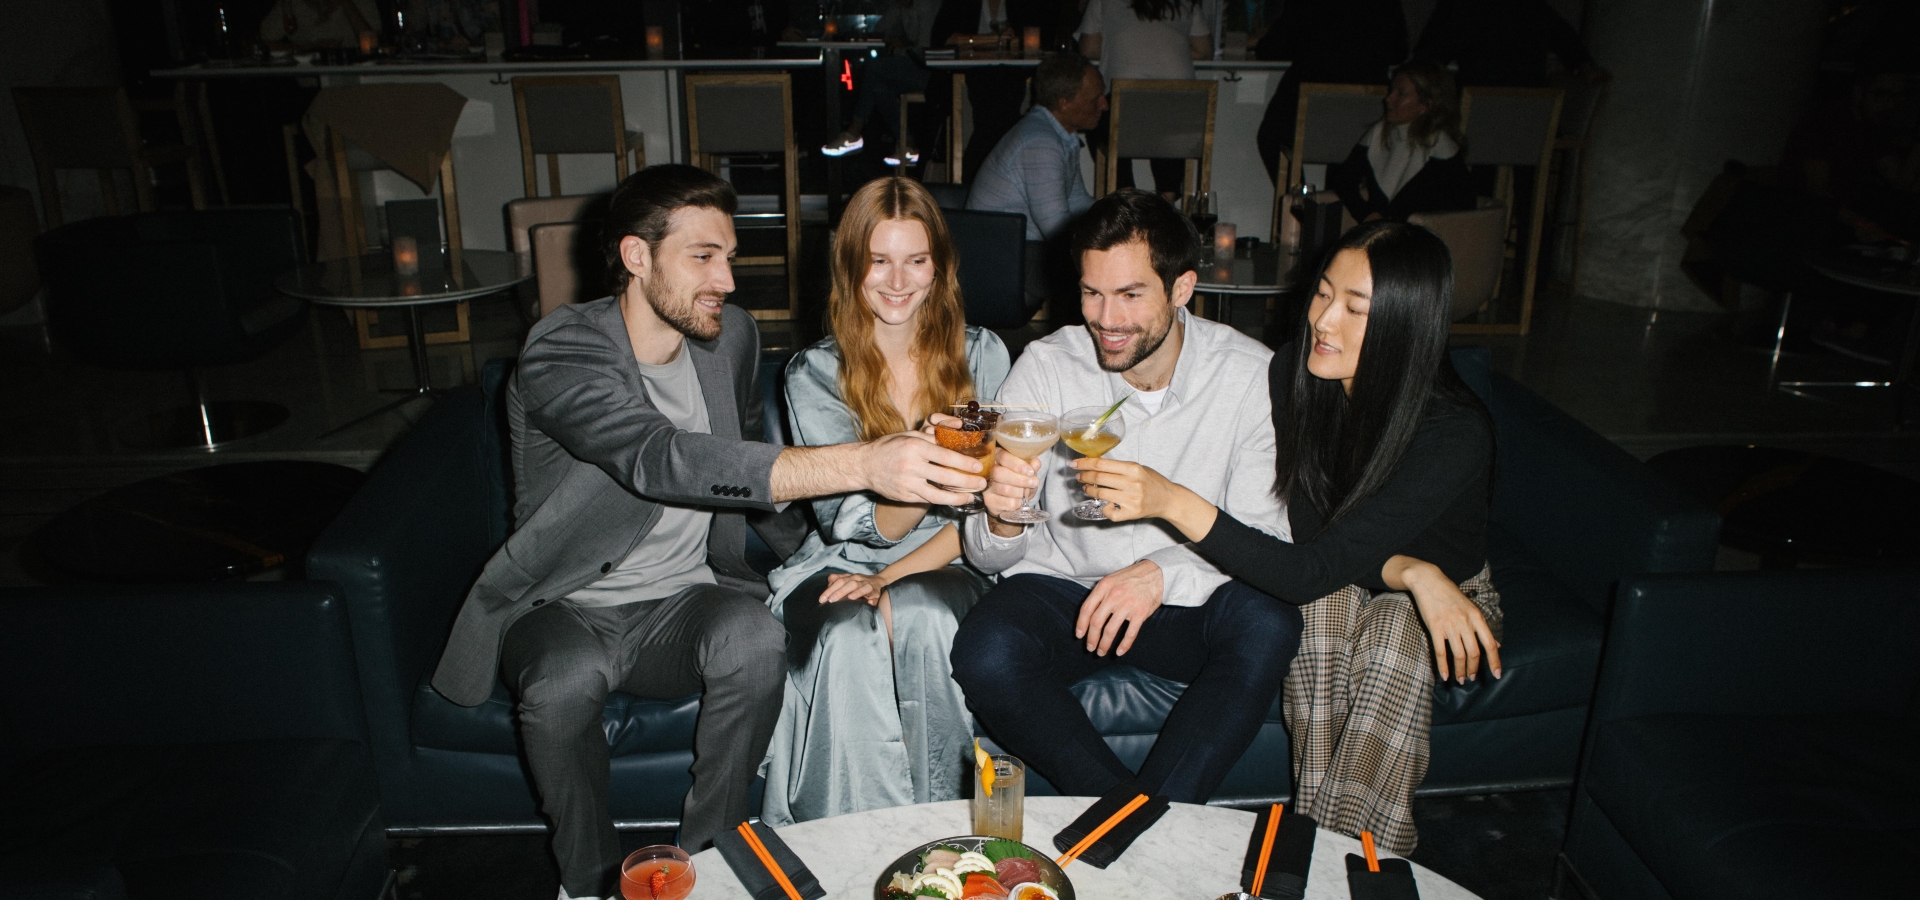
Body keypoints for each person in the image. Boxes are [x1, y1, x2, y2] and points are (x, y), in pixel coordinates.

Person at [429, 165, 994, 900]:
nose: (726, 280)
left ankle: (712, 863)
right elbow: (661, 457)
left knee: (754, 639)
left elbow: (753, 474)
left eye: (728, 256)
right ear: (637, 257)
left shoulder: (727, 342)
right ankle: (585, 879)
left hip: (686, 600)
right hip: (566, 605)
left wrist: (813, 561)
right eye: (703, 257)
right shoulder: (563, 349)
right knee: (564, 684)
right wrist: (866, 462)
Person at [1070, 220, 1502, 853]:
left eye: (1356, 308)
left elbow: (1309, 564)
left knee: (1394, 637)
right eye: (1324, 293)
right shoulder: (1297, 378)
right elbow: (1307, 545)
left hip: (1450, 594)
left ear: (1409, 324)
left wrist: (1170, 501)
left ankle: (1352, 855)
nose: (1324, 321)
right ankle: (1321, 852)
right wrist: (1411, 570)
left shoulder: (1453, 431)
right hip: (1355, 573)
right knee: (1316, 613)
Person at [950, 189, 1300, 804]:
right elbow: (989, 559)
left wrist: (1160, 574)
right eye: (1092, 293)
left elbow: (1264, 537)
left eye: (1131, 295)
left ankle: (1131, 825)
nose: (1106, 319)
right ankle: (1132, 818)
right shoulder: (1047, 366)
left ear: (1182, 288)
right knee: (986, 650)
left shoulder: (1250, 376)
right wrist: (1001, 521)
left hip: (1192, 600)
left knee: (1269, 621)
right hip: (1071, 593)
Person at [759, 177, 1010, 826]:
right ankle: (847, 847)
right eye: (878, 260)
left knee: (920, 613)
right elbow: (850, 523)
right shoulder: (814, 371)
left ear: (940, 267)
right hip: (842, 556)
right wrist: (916, 467)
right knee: (846, 638)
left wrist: (892, 578)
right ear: (850, 266)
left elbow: (987, 511)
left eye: (916, 260)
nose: (898, 280)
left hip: (954, 555)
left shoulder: (984, 354)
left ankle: (953, 835)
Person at [967, 53, 1107, 312]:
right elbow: (1055, 228)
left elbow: (1078, 202)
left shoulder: (1058, 136)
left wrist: (1119, 218)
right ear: (1064, 103)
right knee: (1097, 278)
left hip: (1018, 248)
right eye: (1094, 99)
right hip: (1001, 258)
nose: (1104, 105)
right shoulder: (1041, 142)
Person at [1251, 0, 1408, 184]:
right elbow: (1399, 52)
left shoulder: (1308, 5)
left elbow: (1272, 49)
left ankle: (1297, 202)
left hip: (1309, 109)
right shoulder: (1385, 5)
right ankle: (1336, 201)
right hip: (1366, 112)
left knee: (1271, 137)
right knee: (1348, 150)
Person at [1076, 0, 1212, 198]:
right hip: (1181, 116)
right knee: (1165, 111)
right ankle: (1168, 194)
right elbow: (1204, 50)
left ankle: (1124, 193)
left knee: (1097, 117)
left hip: (1126, 112)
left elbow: (1088, 49)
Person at [1326, 61, 1475, 224]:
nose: (1389, 99)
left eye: (1401, 93)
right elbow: (1344, 180)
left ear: (1425, 105)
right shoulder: (1379, 132)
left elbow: (1463, 207)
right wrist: (1367, 214)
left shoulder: (1440, 146)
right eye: (1392, 90)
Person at [1412, 0, 1606, 88]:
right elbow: (1567, 41)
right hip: (1530, 125)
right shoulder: (1534, 8)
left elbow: (1430, 56)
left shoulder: (1465, 8)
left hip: (1478, 121)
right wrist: (1584, 66)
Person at [258, 0, 379, 51]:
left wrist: (346, 3)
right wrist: (306, 48)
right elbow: (263, 42)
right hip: (308, 86)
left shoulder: (361, 2)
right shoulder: (292, 3)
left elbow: (374, 44)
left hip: (355, 80)